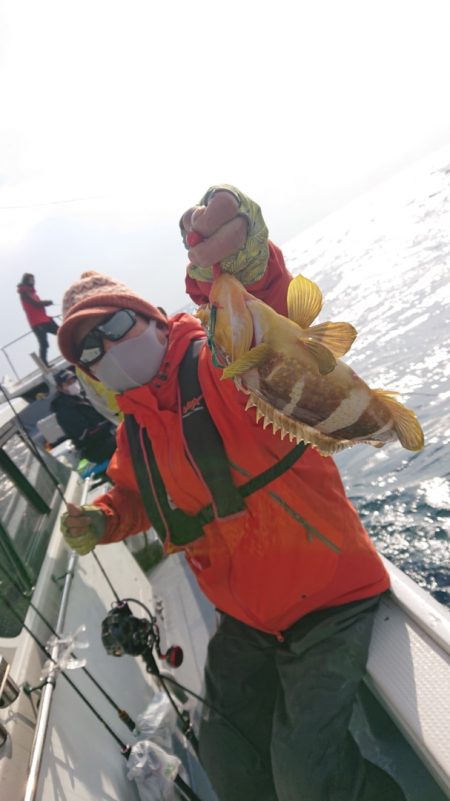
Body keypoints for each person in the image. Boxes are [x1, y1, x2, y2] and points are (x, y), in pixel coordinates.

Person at [58, 186, 407, 801]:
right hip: (246, 619)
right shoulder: (135, 430)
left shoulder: (219, 362)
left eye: (114, 325)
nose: (107, 347)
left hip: (330, 597)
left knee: (308, 780)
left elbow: (266, 322)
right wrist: (103, 519)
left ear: (153, 319)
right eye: (89, 348)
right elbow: (135, 497)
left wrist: (244, 263)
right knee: (225, 759)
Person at [50, 368, 117, 465]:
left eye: (74, 380)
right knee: (127, 439)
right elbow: (84, 435)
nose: (73, 384)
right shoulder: (64, 409)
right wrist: (108, 425)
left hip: (106, 437)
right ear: (60, 388)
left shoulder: (81, 397)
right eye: (68, 383)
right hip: (95, 448)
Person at [17, 273, 59, 367]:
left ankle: (73, 348)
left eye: (33, 279)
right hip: (37, 323)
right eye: (31, 279)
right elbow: (35, 304)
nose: (33, 281)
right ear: (26, 280)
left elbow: (37, 304)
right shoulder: (24, 293)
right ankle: (44, 364)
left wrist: (46, 303)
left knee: (62, 332)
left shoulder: (32, 292)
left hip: (44, 319)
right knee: (44, 343)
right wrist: (47, 302)